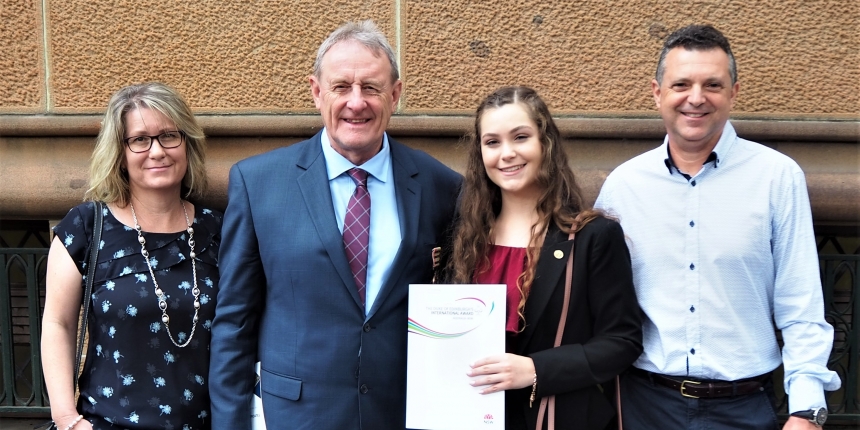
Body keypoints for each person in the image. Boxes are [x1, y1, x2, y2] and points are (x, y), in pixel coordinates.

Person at [208, 20, 461, 429]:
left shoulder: (441, 186)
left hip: (400, 413)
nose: (356, 102)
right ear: (317, 91)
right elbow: (234, 321)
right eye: (342, 86)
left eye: (372, 88)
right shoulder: (258, 183)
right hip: (295, 414)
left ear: (394, 95)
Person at [594, 25, 841, 429]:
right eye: (681, 84)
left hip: (744, 408)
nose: (696, 97)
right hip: (644, 406)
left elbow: (801, 303)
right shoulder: (623, 187)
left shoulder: (777, 177)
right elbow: (599, 302)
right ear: (657, 92)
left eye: (712, 84)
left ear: (733, 92)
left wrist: (807, 410)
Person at [448, 86, 642, 430]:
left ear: (545, 143)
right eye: (492, 142)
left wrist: (535, 369)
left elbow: (622, 342)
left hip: (556, 417)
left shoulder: (592, 237)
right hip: (471, 416)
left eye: (520, 137)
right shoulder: (465, 239)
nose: (506, 153)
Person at [42, 82, 222, 430]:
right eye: (139, 139)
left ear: (187, 144)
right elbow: (58, 323)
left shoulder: (219, 230)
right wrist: (66, 419)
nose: (157, 151)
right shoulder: (86, 227)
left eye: (169, 136)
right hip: (106, 423)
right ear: (120, 152)